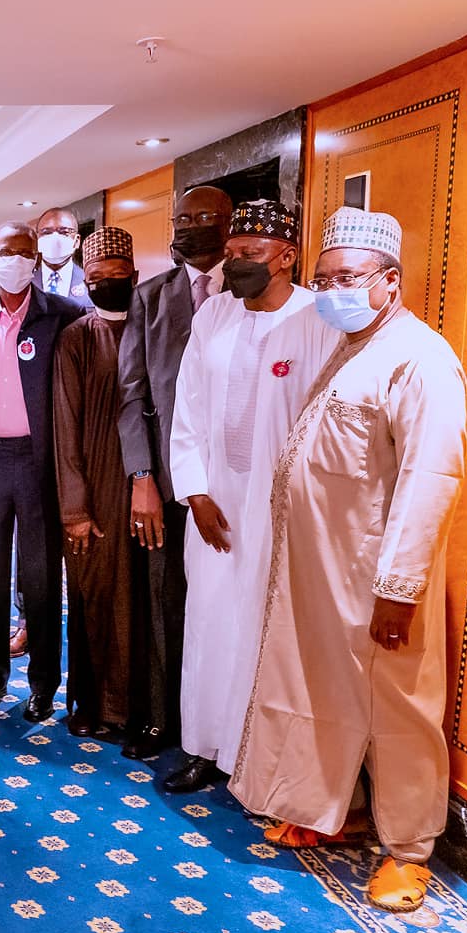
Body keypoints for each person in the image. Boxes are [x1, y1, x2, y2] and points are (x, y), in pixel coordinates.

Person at [231, 208, 467, 914]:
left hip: (378, 578)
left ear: (389, 282)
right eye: (324, 278)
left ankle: (409, 852)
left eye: (349, 279)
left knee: (399, 709)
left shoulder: (419, 358)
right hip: (323, 571)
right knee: (326, 695)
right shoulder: (355, 344)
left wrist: (398, 587)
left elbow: (431, 479)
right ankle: (339, 808)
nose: (333, 290)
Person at [164, 200, 338, 793]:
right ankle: (201, 747)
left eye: (251, 255)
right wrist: (194, 491)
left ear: (287, 257)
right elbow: (186, 407)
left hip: (281, 510)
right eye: (233, 253)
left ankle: (254, 759)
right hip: (213, 504)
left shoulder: (318, 318)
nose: (236, 263)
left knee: (266, 630)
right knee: (209, 623)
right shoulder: (214, 314)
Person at [116, 184, 233, 759]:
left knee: (225, 609)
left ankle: (225, 731)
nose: (188, 227)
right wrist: (141, 476)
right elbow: (132, 393)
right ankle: (167, 720)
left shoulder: (254, 291)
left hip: (234, 486)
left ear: (229, 224)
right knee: (166, 600)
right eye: (181, 218)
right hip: (162, 483)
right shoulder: (152, 297)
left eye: (204, 217)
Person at [0, 220, 83, 717]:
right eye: (7, 252)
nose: (17, 261)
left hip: (36, 458)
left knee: (42, 573)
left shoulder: (64, 314)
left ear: (37, 260)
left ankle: (45, 682)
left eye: (25, 253)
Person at [52, 227, 143, 739]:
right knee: (95, 596)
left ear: (133, 276)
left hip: (149, 487)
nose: (106, 284)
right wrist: (75, 509)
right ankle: (95, 705)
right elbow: (65, 423)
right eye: (96, 278)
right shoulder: (77, 337)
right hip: (93, 489)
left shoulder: (152, 328)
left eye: (115, 276)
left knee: (142, 602)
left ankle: (139, 709)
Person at [35, 206, 92, 308]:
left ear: (77, 241)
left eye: (64, 232)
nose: (55, 238)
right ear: (36, 239)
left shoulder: (90, 282)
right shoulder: (24, 282)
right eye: (46, 232)